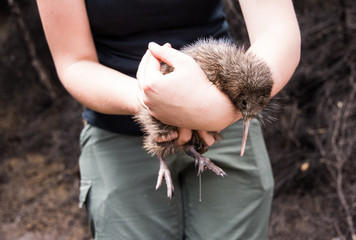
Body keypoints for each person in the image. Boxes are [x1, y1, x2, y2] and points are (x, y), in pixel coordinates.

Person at [36, 0, 300, 239]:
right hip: (119, 135)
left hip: (226, 119)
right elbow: (74, 62)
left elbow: (277, 30)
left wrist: (216, 108)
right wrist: (157, 102)